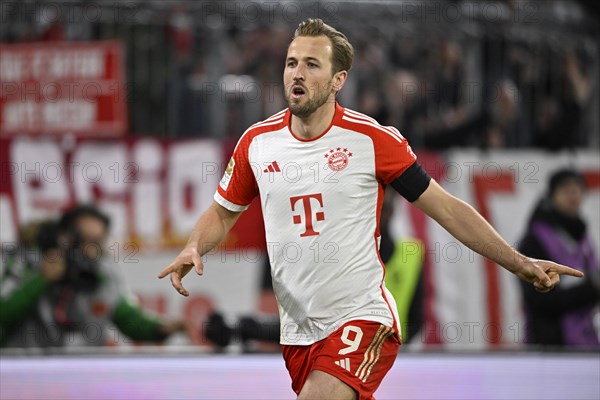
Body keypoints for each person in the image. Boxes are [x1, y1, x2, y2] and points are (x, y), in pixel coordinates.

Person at [159, 19, 584, 400]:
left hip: (361, 319)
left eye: (311, 64)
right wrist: (194, 244)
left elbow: (448, 209)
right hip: (299, 331)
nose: (297, 73)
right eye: (291, 63)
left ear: (338, 79)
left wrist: (519, 262)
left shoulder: (371, 140)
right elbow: (223, 212)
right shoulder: (257, 142)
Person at [0, 205, 186, 348]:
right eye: (82, 239)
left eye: (96, 242)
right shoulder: (27, 262)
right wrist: (41, 280)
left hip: (82, 379)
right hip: (23, 374)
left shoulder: (104, 274)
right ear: (63, 235)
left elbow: (129, 319)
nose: (89, 250)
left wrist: (162, 328)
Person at [519, 169, 600, 347]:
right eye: (565, 189)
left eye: (577, 189)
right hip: (551, 344)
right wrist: (592, 288)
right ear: (552, 196)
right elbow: (538, 301)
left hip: (586, 340)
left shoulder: (583, 237)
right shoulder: (534, 240)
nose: (573, 195)